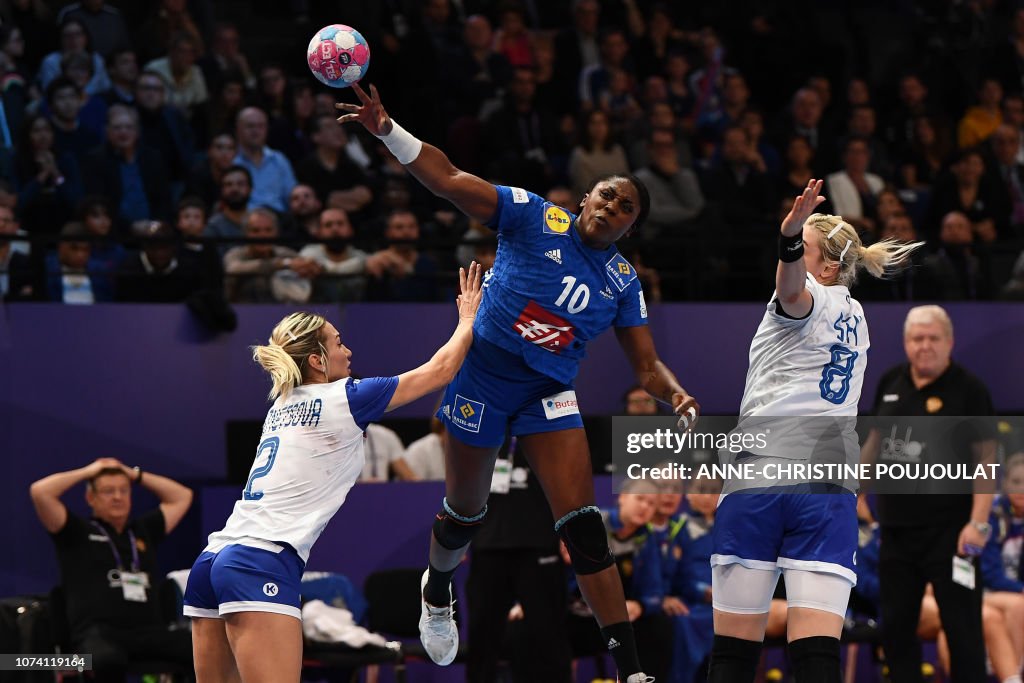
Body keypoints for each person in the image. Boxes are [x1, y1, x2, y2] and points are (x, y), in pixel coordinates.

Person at [337, 82, 700, 683]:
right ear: (587, 196)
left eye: (625, 209)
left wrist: (678, 393)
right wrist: (386, 131)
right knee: (466, 513)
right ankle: (438, 587)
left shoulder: (622, 281)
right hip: (483, 377)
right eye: (607, 196)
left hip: (546, 393)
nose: (611, 208)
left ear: (629, 229)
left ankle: (632, 671)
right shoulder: (534, 215)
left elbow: (645, 366)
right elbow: (449, 178)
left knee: (582, 524)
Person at [183, 262, 484, 683]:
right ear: (317, 360)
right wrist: (468, 318)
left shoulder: (281, 405)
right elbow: (440, 372)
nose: (349, 352)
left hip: (212, 561)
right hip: (261, 561)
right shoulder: (346, 397)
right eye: (339, 343)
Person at [707, 179, 922, 683]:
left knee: (734, 654)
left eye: (802, 249)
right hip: (827, 487)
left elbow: (790, 291)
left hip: (763, 478)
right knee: (818, 655)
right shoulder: (857, 316)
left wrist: (786, 236)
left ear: (825, 266)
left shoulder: (810, 299)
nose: (788, 257)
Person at [861, 304, 998, 682]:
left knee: (963, 630)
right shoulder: (889, 382)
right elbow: (874, 442)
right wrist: (856, 493)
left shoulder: (969, 390)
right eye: (917, 338)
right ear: (906, 343)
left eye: (933, 338)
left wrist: (979, 524)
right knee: (896, 631)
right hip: (897, 534)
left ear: (949, 342)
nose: (925, 346)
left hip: (953, 535)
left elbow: (987, 460)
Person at [29, 457, 194, 682]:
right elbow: (40, 492)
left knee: (199, 648)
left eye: (123, 490)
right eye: (108, 491)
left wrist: (132, 473)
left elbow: (182, 496)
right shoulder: (75, 532)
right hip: (98, 634)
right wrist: (88, 471)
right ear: (91, 497)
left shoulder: (142, 530)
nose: (117, 497)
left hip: (147, 633)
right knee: (107, 658)